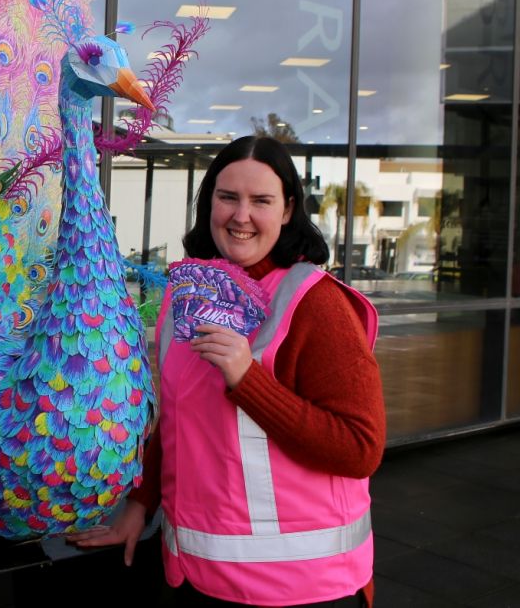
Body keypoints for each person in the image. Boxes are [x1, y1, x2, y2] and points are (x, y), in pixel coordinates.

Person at [68, 136, 385, 607]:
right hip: (195, 577)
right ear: (209, 201)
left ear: (287, 209)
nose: (241, 215)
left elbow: (360, 449)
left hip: (304, 589)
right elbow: (177, 423)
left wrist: (247, 380)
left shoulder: (317, 304)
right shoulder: (186, 296)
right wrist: (141, 504)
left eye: (261, 200)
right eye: (227, 197)